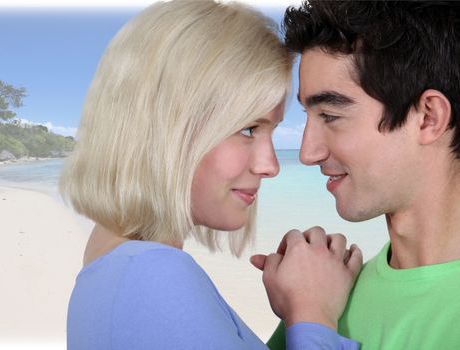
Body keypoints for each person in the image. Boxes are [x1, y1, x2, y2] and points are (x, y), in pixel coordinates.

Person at [59, 0, 363, 349]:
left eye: (272, 132)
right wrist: (313, 311)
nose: (271, 166)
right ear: (166, 129)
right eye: (249, 129)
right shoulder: (152, 276)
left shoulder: (114, 267)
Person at [254, 1, 460, 349]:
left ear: (428, 117)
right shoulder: (326, 298)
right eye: (307, 115)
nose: (308, 153)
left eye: (331, 116)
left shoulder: (319, 309)